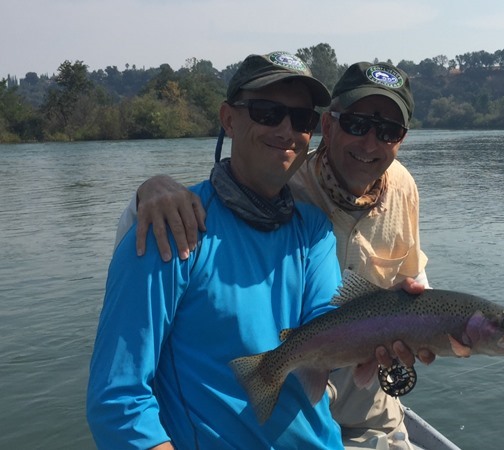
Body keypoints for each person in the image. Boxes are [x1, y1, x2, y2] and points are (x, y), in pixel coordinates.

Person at [123, 61, 434, 450]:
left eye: (388, 131)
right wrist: (149, 190)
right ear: (330, 126)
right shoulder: (196, 218)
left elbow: (340, 310)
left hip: (359, 395)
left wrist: (416, 327)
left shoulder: (323, 222)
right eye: (267, 113)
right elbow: (121, 397)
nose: (370, 143)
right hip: (294, 396)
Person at [87, 51, 349, 450]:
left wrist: (397, 318)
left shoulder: (313, 229)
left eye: (302, 119)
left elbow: (327, 326)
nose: (286, 130)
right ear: (228, 118)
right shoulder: (171, 227)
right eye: (266, 112)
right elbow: (118, 401)